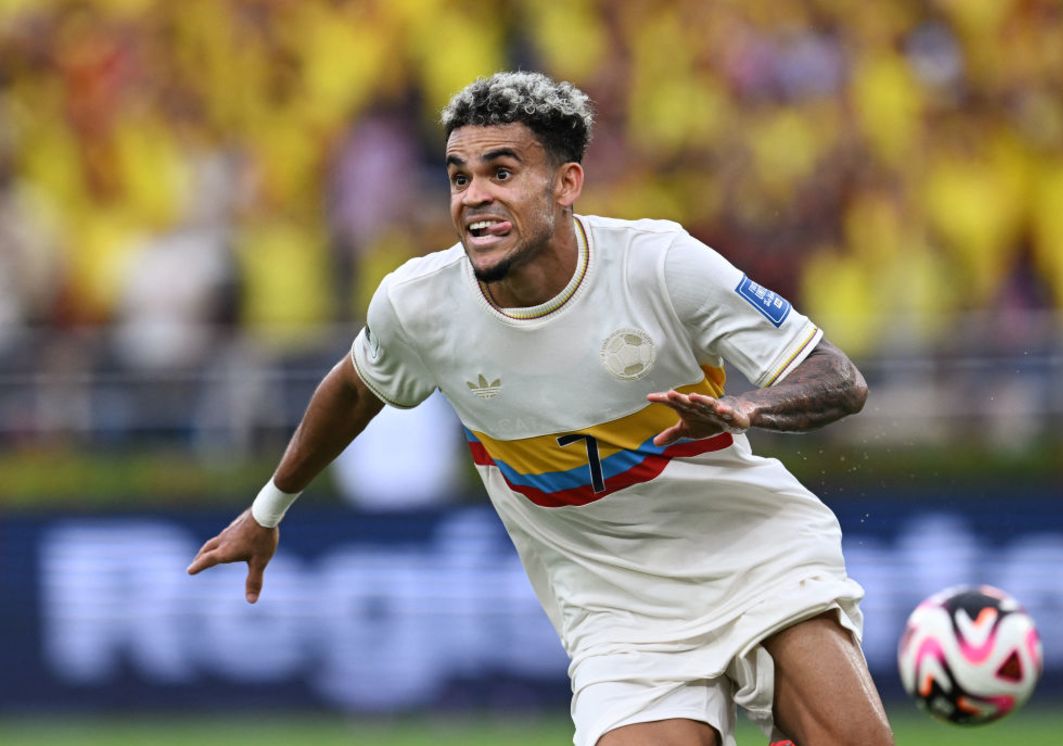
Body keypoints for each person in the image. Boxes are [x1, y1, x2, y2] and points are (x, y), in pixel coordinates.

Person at [188, 71, 894, 746]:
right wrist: (266, 511)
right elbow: (353, 388)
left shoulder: (658, 264)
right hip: (616, 610)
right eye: (459, 178)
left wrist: (746, 407)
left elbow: (838, 376)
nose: (473, 197)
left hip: (749, 554)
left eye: (502, 172)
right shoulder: (420, 305)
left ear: (567, 183)